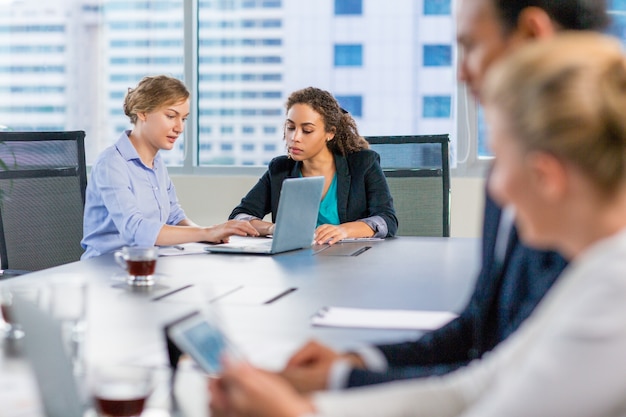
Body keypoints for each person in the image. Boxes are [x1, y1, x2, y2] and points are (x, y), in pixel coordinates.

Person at [210, 31, 626, 417]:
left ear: (547, 177)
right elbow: (473, 387)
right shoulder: (591, 273)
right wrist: (334, 382)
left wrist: (293, 412)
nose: (495, 191)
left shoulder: (612, 293)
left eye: (500, 158)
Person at [81, 75, 258, 259]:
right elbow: (136, 230)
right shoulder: (111, 163)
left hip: (149, 263)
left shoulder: (156, 162)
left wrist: (212, 235)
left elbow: (174, 216)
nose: (179, 127)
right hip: (107, 269)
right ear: (143, 113)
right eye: (171, 116)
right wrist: (206, 232)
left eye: (184, 119)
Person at [229, 87, 398, 245]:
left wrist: (344, 230)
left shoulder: (363, 163)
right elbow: (239, 216)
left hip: (351, 262)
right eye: (290, 127)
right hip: (296, 264)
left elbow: (386, 220)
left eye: (307, 130)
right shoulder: (280, 169)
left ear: (330, 133)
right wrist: (274, 229)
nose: (295, 137)